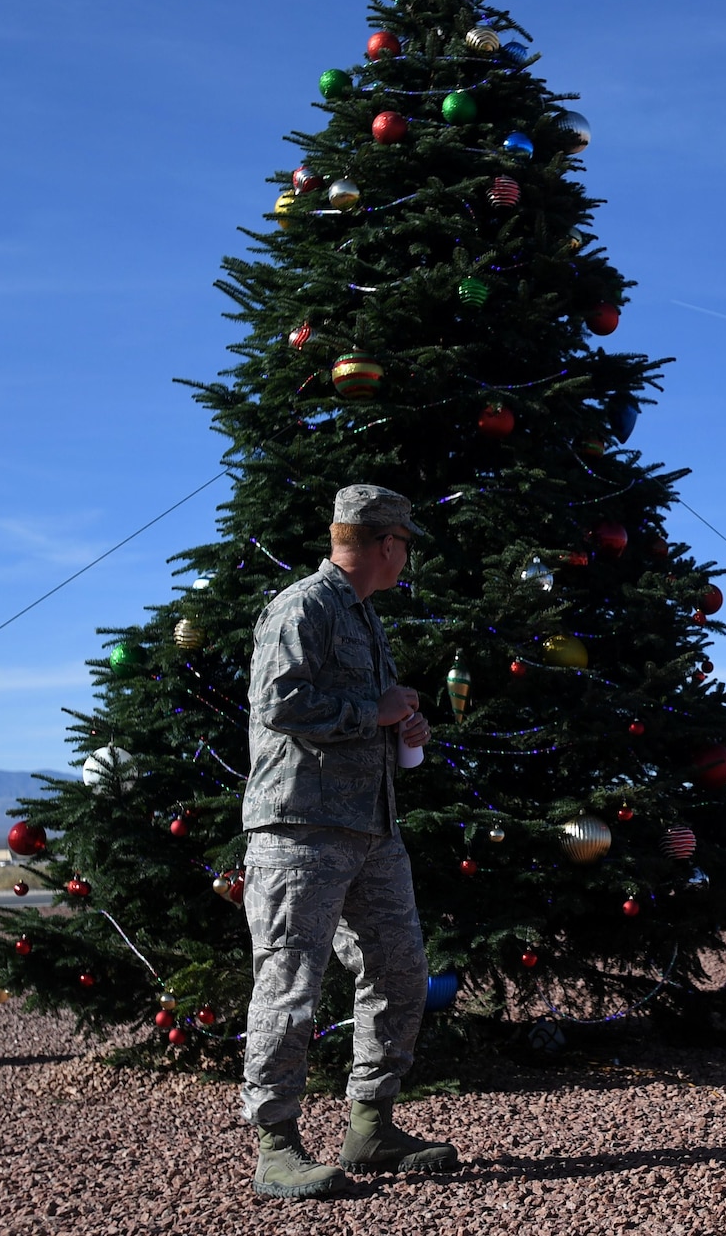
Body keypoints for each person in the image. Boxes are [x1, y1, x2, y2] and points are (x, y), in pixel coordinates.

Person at [240, 484, 457, 1199]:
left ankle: (371, 1122)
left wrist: (402, 726)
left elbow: (371, 712)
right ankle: (276, 1144)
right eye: (405, 542)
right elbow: (277, 700)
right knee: (289, 980)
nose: (407, 556)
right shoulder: (303, 605)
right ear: (383, 540)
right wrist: (375, 710)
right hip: (300, 828)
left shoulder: (363, 616)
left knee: (399, 966)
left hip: (371, 826)